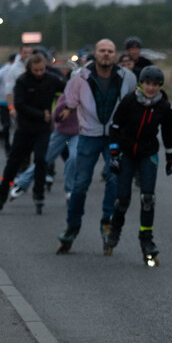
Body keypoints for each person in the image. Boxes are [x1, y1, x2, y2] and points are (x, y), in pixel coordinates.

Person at [56, 39, 137, 253]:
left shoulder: (127, 77)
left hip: (114, 135)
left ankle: (107, 220)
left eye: (110, 51)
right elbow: (70, 102)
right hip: (88, 135)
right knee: (80, 183)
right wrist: (62, 117)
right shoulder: (80, 77)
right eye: (102, 51)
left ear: (115, 54)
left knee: (114, 179)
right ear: (95, 53)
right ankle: (72, 226)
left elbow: (132, 104)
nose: (106, 54)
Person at [105, 65, 172, 266]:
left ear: (160, 86)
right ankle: (115, 229)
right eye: (147, 84)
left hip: (148, 154)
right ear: (141, 83)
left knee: (147, 198)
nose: (151, 88)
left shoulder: (163, 106)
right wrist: (114, 154)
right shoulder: (130, 100)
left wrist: (171, 158)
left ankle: (146, 239)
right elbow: (115, 126)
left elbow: (168, 133)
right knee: (123, 198)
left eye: (155, 85)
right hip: (126, 152)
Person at [0, 52, 65, 216]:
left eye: (42, 70)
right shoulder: (22, 81)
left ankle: (39, 192)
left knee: (42, 160)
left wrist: (67, 107)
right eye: (36, 70)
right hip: (25, 128)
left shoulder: (51, 80)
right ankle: (0, 196)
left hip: (43, 129)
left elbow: (68, 90)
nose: (39, 73)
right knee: (13, 163)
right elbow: (19, 104)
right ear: (30, 69)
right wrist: (41, 114)